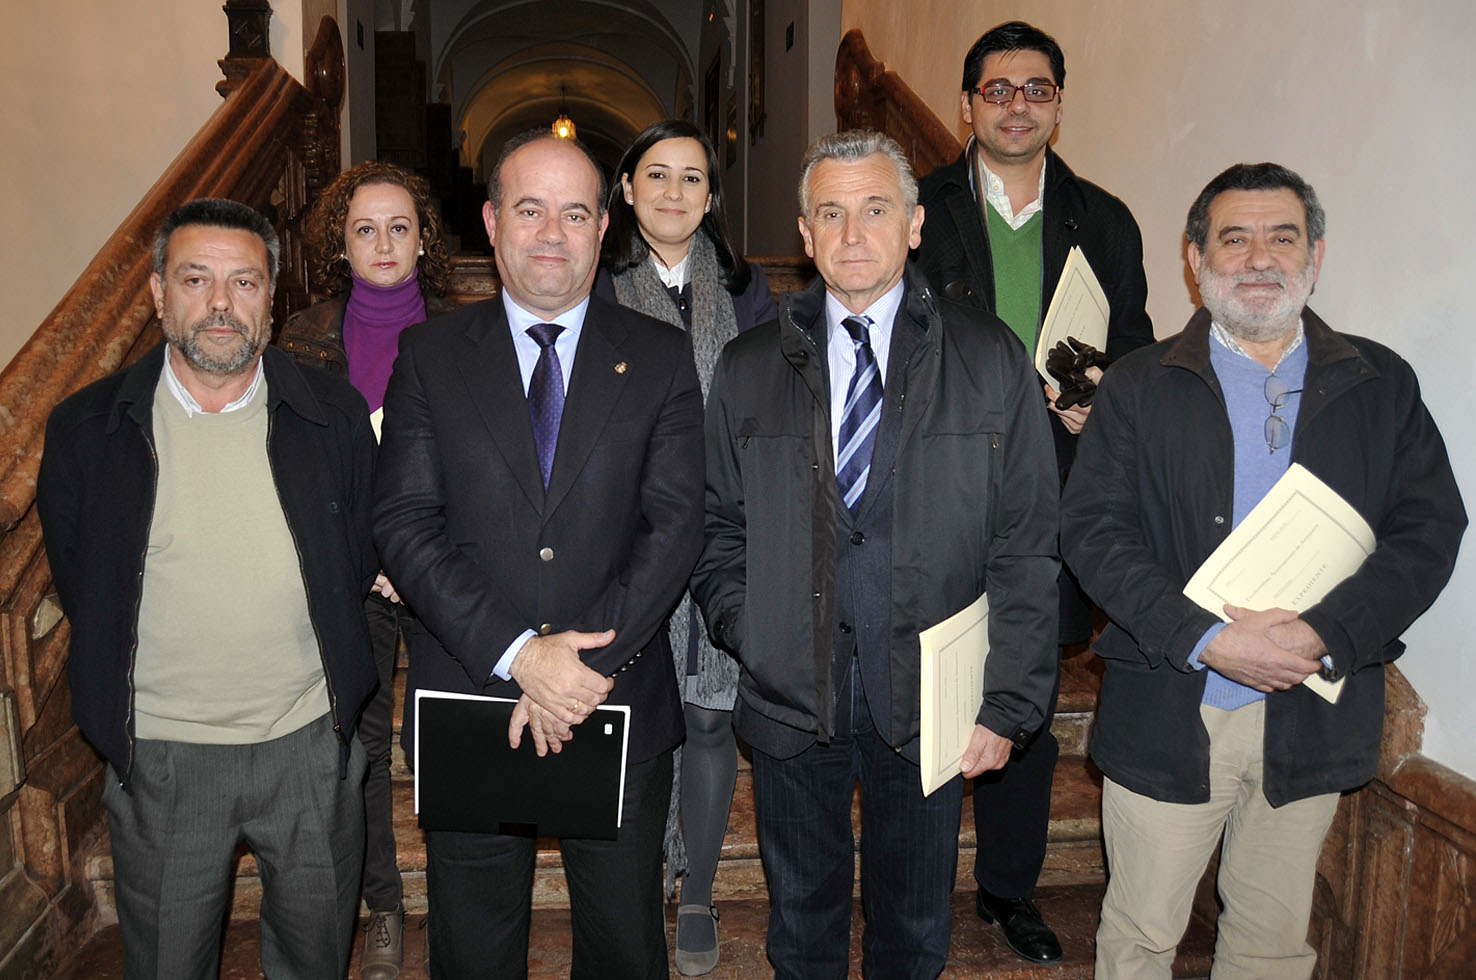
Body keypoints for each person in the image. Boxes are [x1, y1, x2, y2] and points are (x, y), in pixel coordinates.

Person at [1061, 163, 1466, 979]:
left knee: (1274, 943)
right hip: (1173, 703)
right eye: (1233, 238)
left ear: (1315, 253)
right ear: (1195, 258)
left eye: (1282, 237)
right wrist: (1205, 637)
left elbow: (1430, 528)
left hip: (1313, 708)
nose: (1258, 258)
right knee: (1139, 935)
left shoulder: (1379, 383)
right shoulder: (1140, 385)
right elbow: (1093, 533)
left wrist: (1328, 632)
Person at [692, 130, 1060, 980]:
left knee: (915, 924)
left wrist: (1007, 702)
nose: (853, 234)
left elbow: (1027, 541)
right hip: (792, 696)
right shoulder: (749, 367)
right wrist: (755, 629)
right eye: (831, 213)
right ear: (804, 232)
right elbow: (716, 526)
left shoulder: (989, 357)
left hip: (932, 698)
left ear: (916, 225)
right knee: (802, 923)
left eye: (875, 210)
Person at [372, 131, 704, 980]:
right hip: (473, 695)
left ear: (603, 229)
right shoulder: (431, 356)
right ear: (492, 222)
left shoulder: (662, 358)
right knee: (473, 950)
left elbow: (674, 526)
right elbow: (406, 522)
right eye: (529, 209)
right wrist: (523, 656)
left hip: (615, 695)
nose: (551, 232)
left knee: (625, 945)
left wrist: (578, 669)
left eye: (574, 212)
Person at [37, 198, 379, 978]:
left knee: (317, 960)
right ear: (159, 293)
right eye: (196, 279)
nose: (221, 304)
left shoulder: (333, 415)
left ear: (273, 300)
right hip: (163, 756)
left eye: (245, 283)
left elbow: (354, 558)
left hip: (307, 746)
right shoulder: (87, 430)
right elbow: (82, 576)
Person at [912, 21, 1154, 963]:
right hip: (933, 493)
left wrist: (1107, 403)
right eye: (999, 88)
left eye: (1038, 88)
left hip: (1052, 492)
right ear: (968, 104)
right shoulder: (916, 207)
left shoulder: (1108, 219)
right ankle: (916, 878)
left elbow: (1132, 342)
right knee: (922, 695)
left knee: (1027, 701)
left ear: (1059, 103)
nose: (1019, 104)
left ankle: (1007, 890)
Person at [597, 118, 777, 976]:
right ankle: (638, 885)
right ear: (626, 190)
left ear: (711, 198)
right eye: (656, 176)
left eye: (693, 179)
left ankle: (698, 888)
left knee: (711, 716)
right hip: (625, 537)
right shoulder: (593, 287)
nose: (674, 193)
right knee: (640, 720)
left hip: (722, 529)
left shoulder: (749, 293)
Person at [276, 160, 453, 980]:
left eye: (399, 227)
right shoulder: (303, 339)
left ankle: (462, 898)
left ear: (424, 240)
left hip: (448, 571)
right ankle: (385, 905)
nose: (383, 243)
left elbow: (488, 466)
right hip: (357, 579)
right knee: (367, 748)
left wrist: (420, 555)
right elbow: (299, 474)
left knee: (446, 735)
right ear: (340, 245)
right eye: (364, 229)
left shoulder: (466, 334)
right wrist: (373, 557)